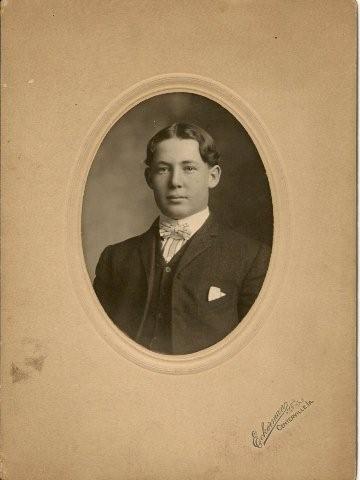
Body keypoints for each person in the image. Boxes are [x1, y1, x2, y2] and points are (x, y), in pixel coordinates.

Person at [93, 123, 271, 355]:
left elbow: (257, 353)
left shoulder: (251, 257)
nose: (175, 181)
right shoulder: (115, 258)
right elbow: (96, 345)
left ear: (213, 176)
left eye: (189, 168)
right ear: (149, 178)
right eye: (164, 169)